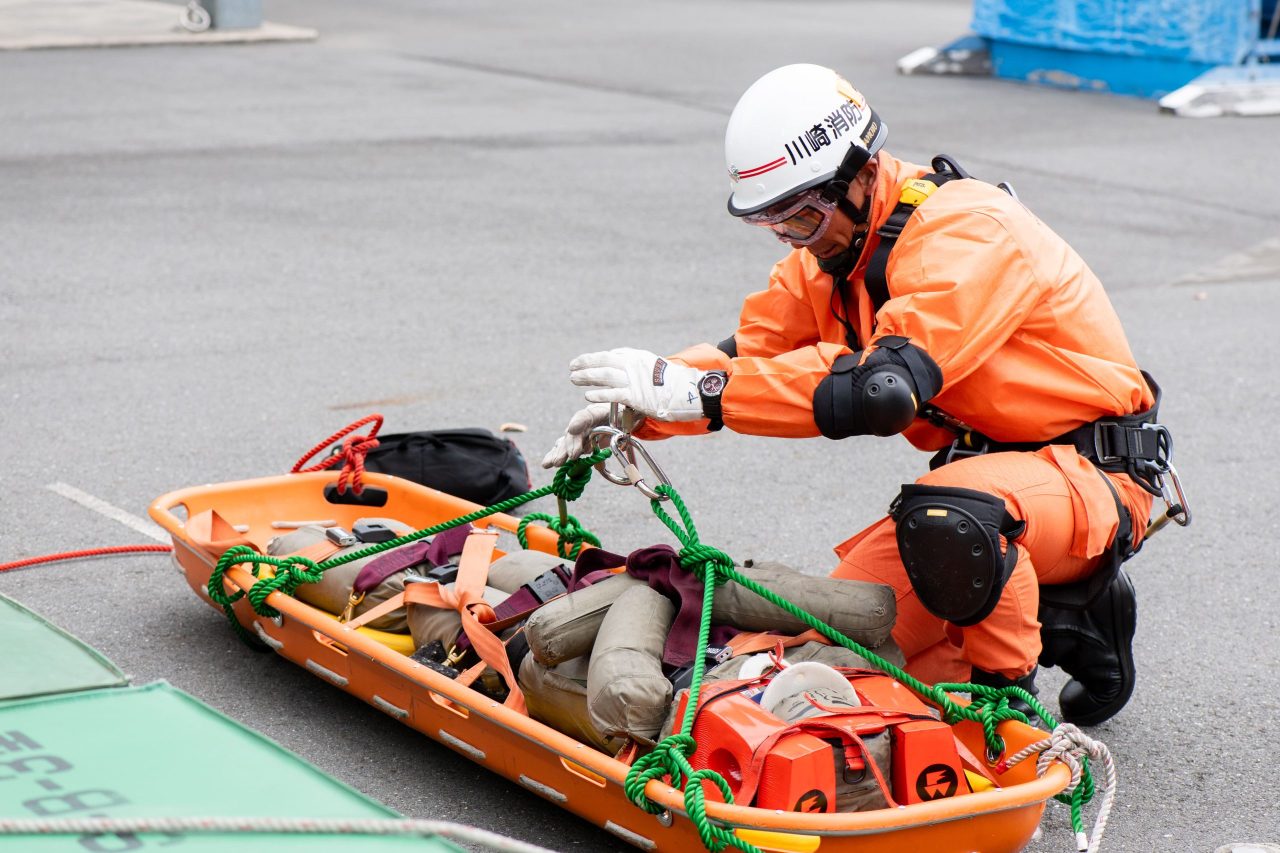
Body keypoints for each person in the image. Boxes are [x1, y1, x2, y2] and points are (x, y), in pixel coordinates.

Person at [542, 63, 1182, 726]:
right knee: (829, 643)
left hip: (1088, 478)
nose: (796, 237)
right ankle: (1067, 615)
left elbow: (883, 392)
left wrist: (698, 393)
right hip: (990, 482)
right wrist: (644, 406)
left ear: (864, 173)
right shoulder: (829, 255)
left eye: (803, 215)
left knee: (950, 524)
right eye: (776, 222)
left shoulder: (970, 230)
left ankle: (1008, 713)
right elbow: (749, 355)